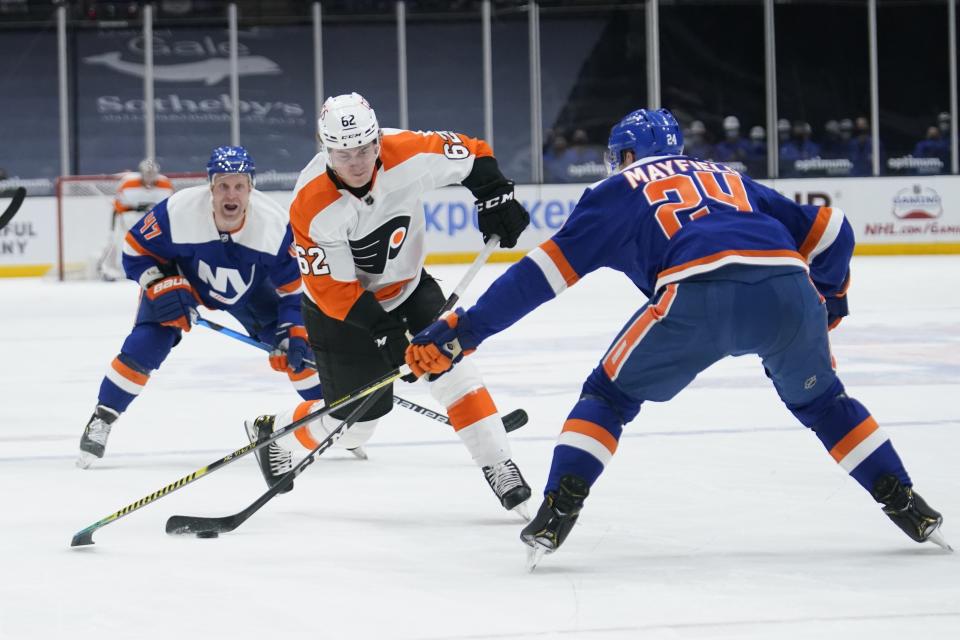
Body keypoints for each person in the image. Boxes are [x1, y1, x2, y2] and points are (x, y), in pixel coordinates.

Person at [406, 107, 949, 565]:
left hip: (696, 295)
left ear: (623, 156)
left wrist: (462, 332)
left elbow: (538, 279)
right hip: (788, 288)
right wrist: (829, 302)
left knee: (608, 395)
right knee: (826, 402)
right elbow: (832, 228)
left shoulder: (614, 191)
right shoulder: (729, 177)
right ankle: (906, 502)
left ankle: (558, 509)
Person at [243, 92, 533, 514]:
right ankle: (279, 435)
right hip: (342, 313)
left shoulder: (410, 151)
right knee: (357, 424)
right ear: (325, 149)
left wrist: (495, 197)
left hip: (410, 288)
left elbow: (473, 155)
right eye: (344, 154)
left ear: (378, 139)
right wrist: (384, 332)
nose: (357, 162)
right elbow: (333, 290)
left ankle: (499, 465)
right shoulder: (311, 204)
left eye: (364, 148)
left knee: (452, 367)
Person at [77, 146, 322, 469]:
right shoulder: (178, 210)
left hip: (249, 293)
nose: (230, 194)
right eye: (223, 185)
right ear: (210, 186)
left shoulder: (275, 226)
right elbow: (134, 252)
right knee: (146, 345)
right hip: (183, 282)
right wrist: (158, 283)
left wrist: (291, 331)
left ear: (251, 187)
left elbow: (294, 291)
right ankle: (104, 416)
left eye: (238, 186)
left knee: (301, 353)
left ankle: (328, 417)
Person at [97, 159, 174, 281]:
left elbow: (170, 206)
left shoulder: (165, 184)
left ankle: (161, 268)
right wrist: (137, 207)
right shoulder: (128, 183)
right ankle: (111, 270)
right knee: (118, 241)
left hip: (154, 220)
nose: (150, 177)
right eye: (147, 173)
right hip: (129, 219)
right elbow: (119, 207)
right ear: (141, 173)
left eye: (152, 174)